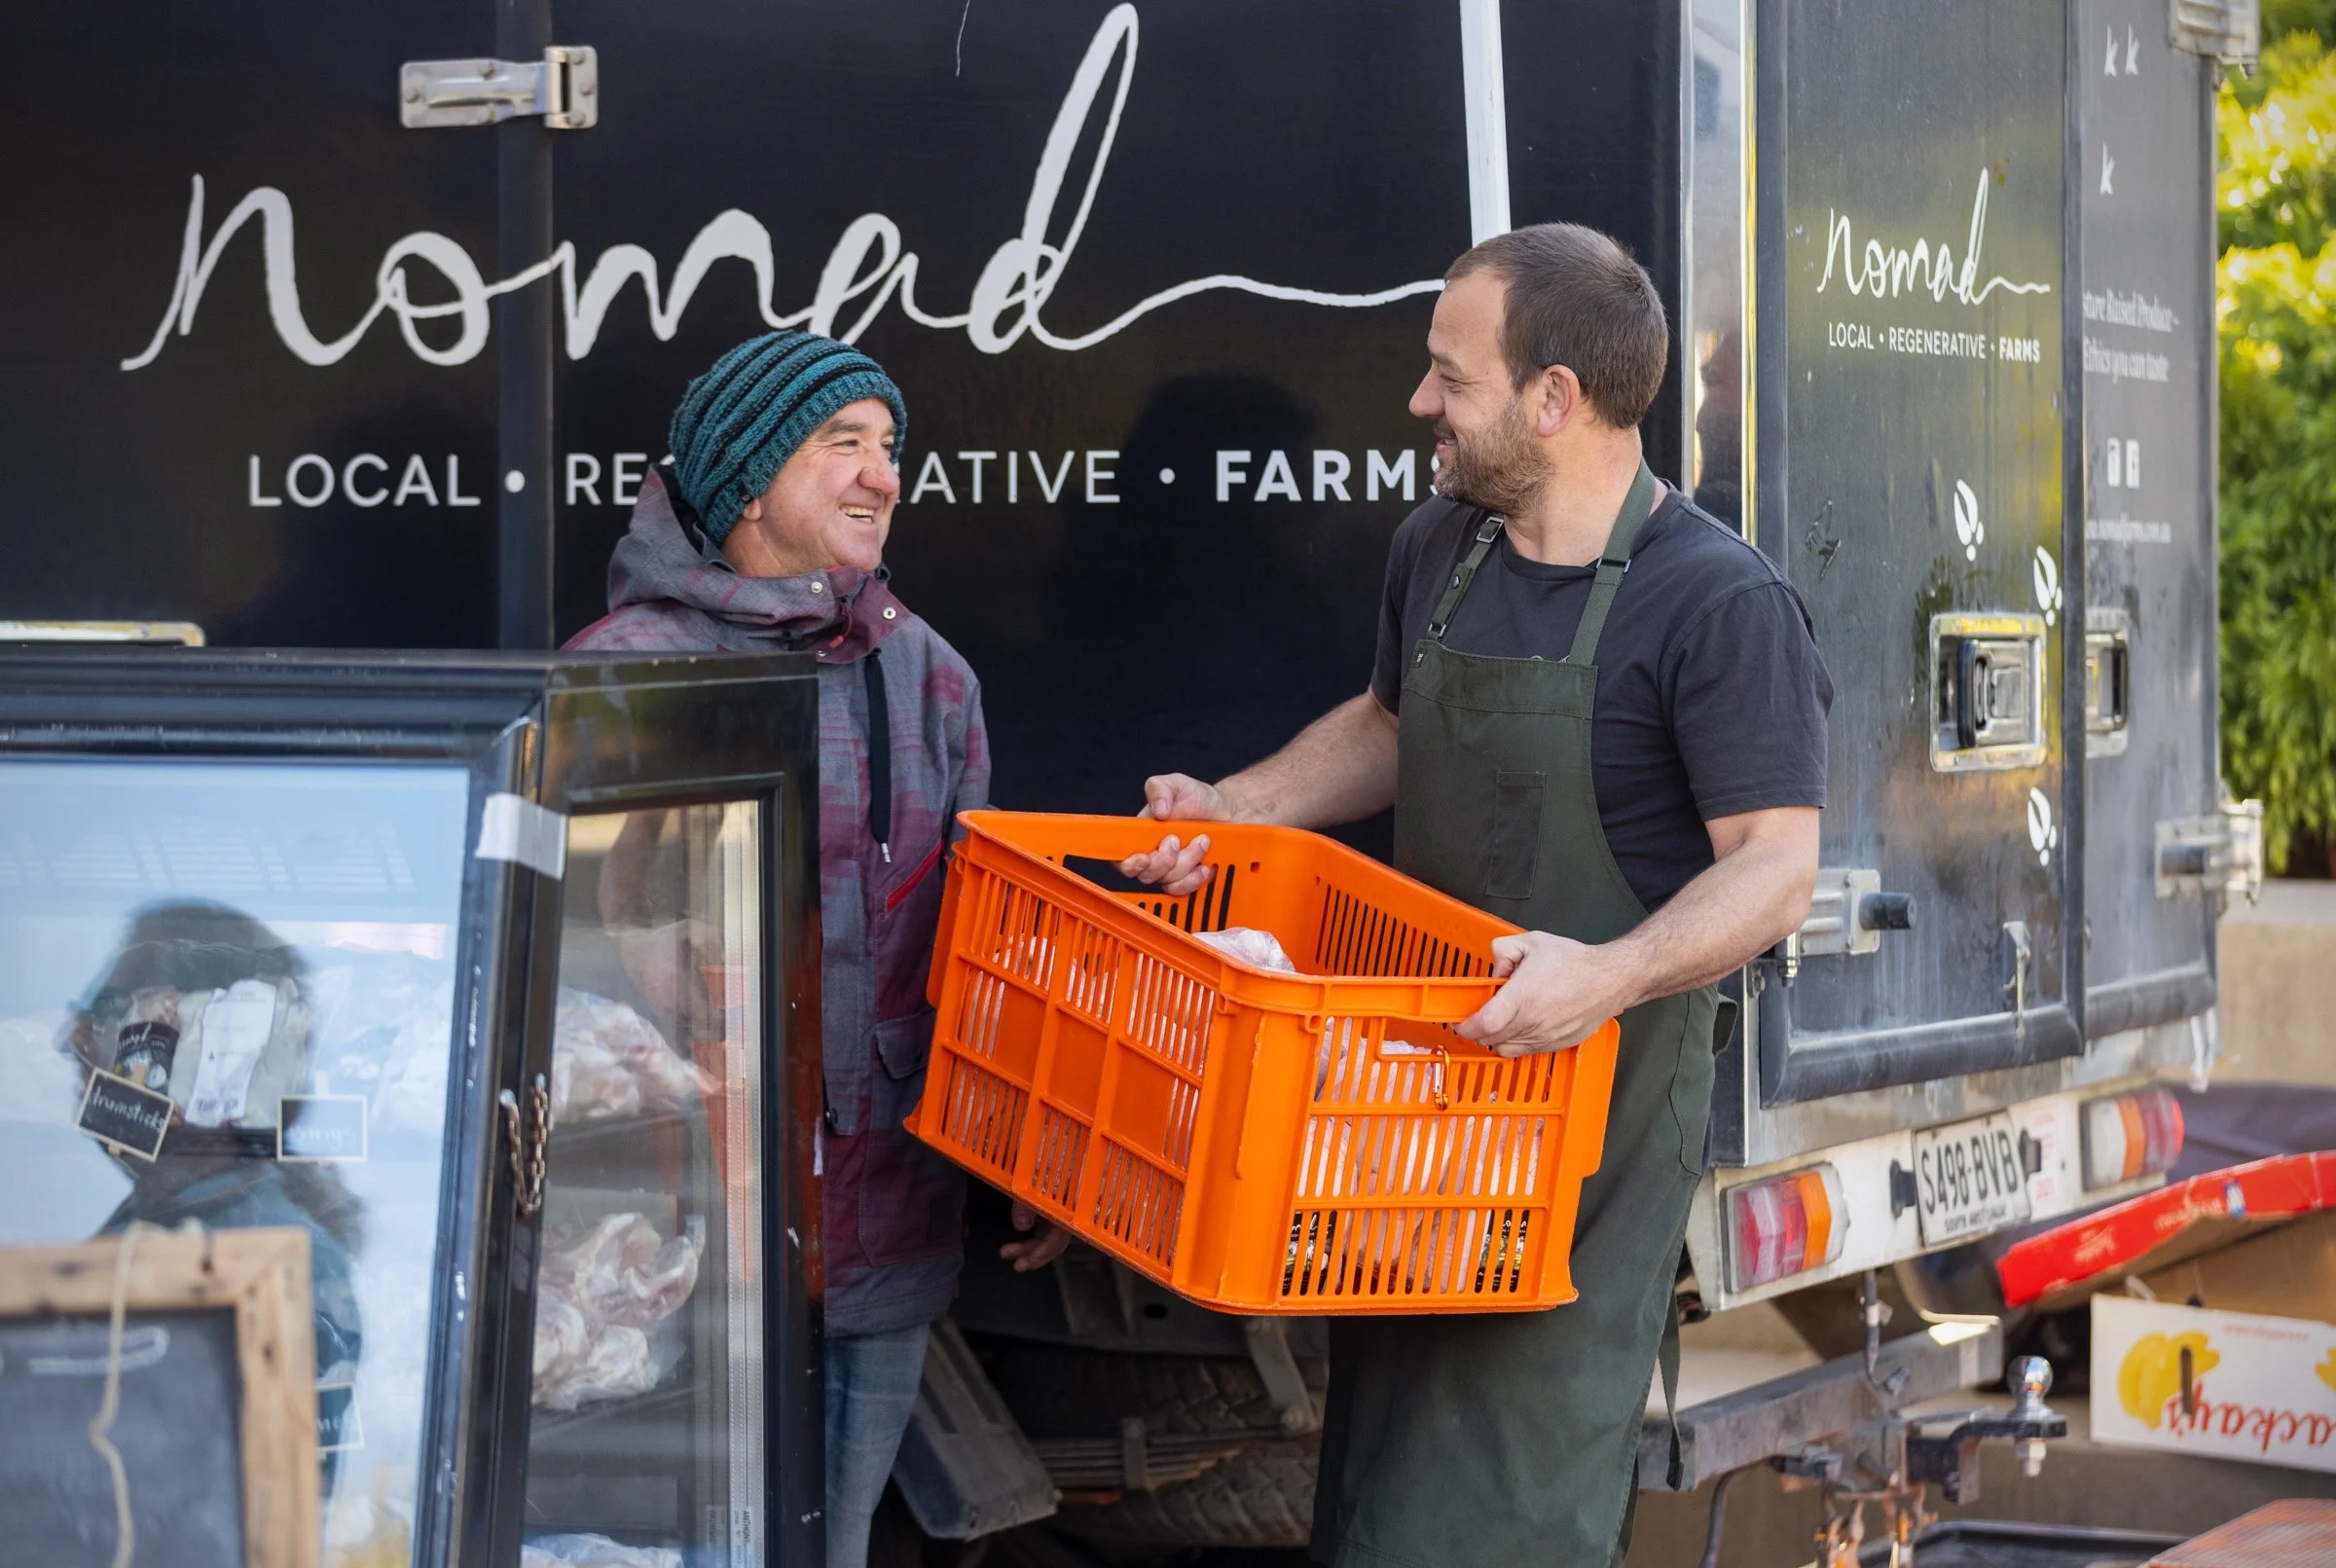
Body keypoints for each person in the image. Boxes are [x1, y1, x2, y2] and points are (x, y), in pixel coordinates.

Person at [1118, 226, 1832, 1566]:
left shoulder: (1717, 602)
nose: (1419, 402)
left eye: (1451, 377)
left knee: (1502, 1503)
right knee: (1379, 1488)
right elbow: (1389, 726)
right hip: (1411, 1124)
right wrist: (1235, 807)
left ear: (1555, 398)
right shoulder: (1441, 545)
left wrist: (1605, 976)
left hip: (1586, 1146)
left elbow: (1775, 866)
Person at [565, 330, 1068, 1566]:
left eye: (889, 447)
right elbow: (560, 971)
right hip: (669, 1227)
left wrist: (1032, 1148)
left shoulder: (929, 677)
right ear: (746, 483)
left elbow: (979, 947)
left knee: (829, 1547)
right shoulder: (613, 681)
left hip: (886, 1211)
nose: (883, 475)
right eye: (844, 443)